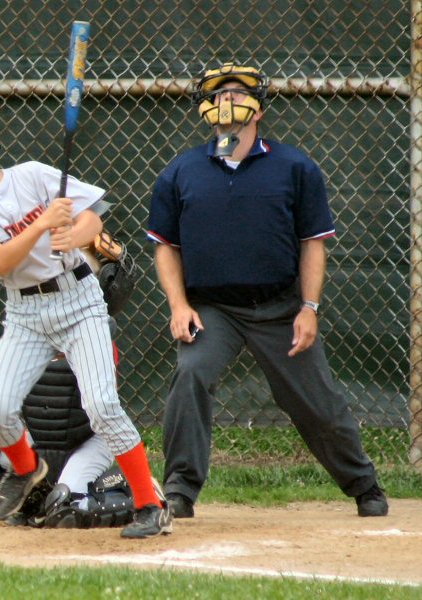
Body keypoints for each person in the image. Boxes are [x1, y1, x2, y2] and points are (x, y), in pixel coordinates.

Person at [147, 62, 388, 520]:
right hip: (214, 308)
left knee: (317, 401)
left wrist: (309, 307)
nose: (226, 100)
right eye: (218, 94)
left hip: (280, 306)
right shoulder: (182, 171)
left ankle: (364, 484)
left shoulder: (294, 167)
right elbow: (166, 247)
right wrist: (179, 305)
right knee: (191, 375)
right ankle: (180, 490)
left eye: (236, 93)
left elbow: (312, 243)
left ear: (258, 109)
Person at [0, 100, 172, 538]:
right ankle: (28, 471)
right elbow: (0, 260)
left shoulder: (33, 174)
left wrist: (74, 234)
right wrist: (41, 225)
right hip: (25, 313)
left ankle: (150, 506)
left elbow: (92, 217)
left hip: (79, 300)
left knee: (102, 406)